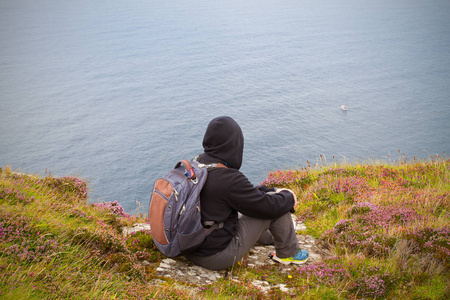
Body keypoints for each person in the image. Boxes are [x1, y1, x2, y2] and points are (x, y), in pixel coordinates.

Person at [185, 116, 308, 270]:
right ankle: (289, 253)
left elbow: (244, 195)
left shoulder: (195, 164)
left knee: (262, 202)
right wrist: (288, 197)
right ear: (234, 144)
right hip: (215, 255)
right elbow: (268, 206)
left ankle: (268, 236)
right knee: (276, 206)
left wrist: (272, 190)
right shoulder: (228, 178)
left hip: (190, 247)